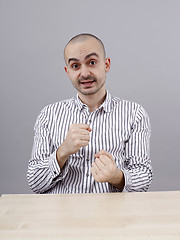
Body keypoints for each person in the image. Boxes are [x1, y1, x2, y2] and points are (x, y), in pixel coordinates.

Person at [27, 33, 153, 194]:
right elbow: (35, 184)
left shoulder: (134, 114)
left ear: (106, 65)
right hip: (62, 216)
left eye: (92, 62)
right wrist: (63, 151)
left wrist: (116, 176)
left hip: (112, 215)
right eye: (75, 66)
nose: (84, 73)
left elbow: (143, 181)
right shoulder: (48, 115)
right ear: (67, 72)